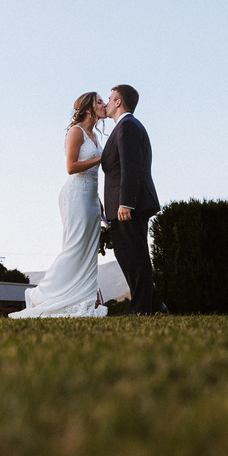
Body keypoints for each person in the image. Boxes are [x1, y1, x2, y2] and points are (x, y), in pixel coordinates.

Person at [9, 92, 108, 319]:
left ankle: (83, 299)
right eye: (99, 101)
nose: (104, 104)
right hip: (75, 196)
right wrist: (103, 158)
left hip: (91, 198)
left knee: (88, 250)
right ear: (88, 108)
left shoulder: (95, 136)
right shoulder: (76, 132)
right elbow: (71, 167)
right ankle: (40, 296)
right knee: (74, 248)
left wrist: (99, 202)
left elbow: (93, 175)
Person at [101, 85, 168, 316]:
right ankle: (155, 305)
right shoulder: (126, 127)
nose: (107, 103)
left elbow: (131, 167)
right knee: (130, 254)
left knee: (134, 256)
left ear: (119, 102)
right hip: (125, 202)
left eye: (110, 99)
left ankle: (141, 308)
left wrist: (125, 203)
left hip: (129, 203)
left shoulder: (127, 126)